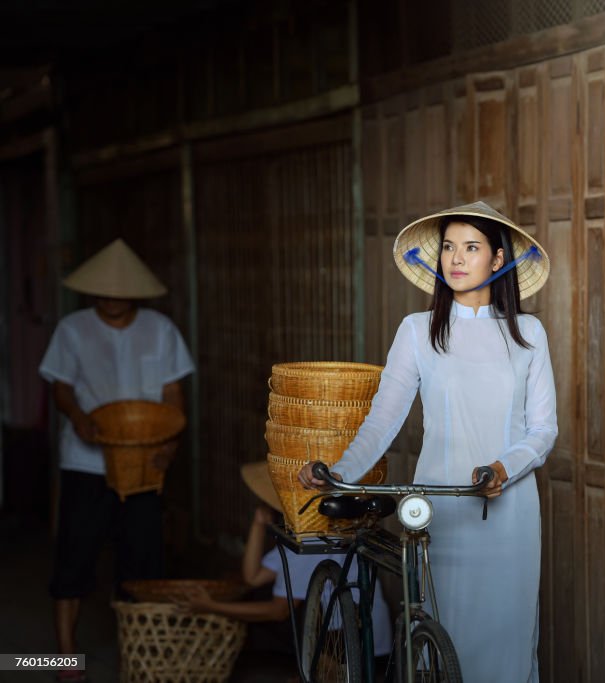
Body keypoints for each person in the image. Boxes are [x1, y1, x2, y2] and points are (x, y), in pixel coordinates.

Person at [298, 201, 558, 682]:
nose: (456, 259)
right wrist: (339, 473)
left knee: (508, 640)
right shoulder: (418, 332)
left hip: (511, 514)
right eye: (449, 248)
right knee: (443, 631)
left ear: (498, 260)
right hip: (441, 508)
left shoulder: (529, 335)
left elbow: (543, 430)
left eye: (472, 248)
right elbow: (383, 420)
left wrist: (503, 468)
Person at [38, 238, 195, 680]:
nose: (111, 296)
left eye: (120, 290)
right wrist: (77, 416)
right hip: (85, 461)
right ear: (92, 291)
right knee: (73, 556)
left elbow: (173, 395)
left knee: (141, 561)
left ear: (136, 292)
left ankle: (137, 655)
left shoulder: (161, 330)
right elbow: (62, 388)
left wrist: (170, 445)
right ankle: (65, 657)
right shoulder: (72, 329)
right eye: (103, 290)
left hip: (145, 466)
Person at [179, 462, 392, 666]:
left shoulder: (311, 540)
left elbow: (278, 611)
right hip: (358, 637)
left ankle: (320, 668)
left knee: (280, 609)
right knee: (259, 593)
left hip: (359, 645)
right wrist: (258, 524)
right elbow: (253, 578)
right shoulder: (300, 536)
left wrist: (211, 607)